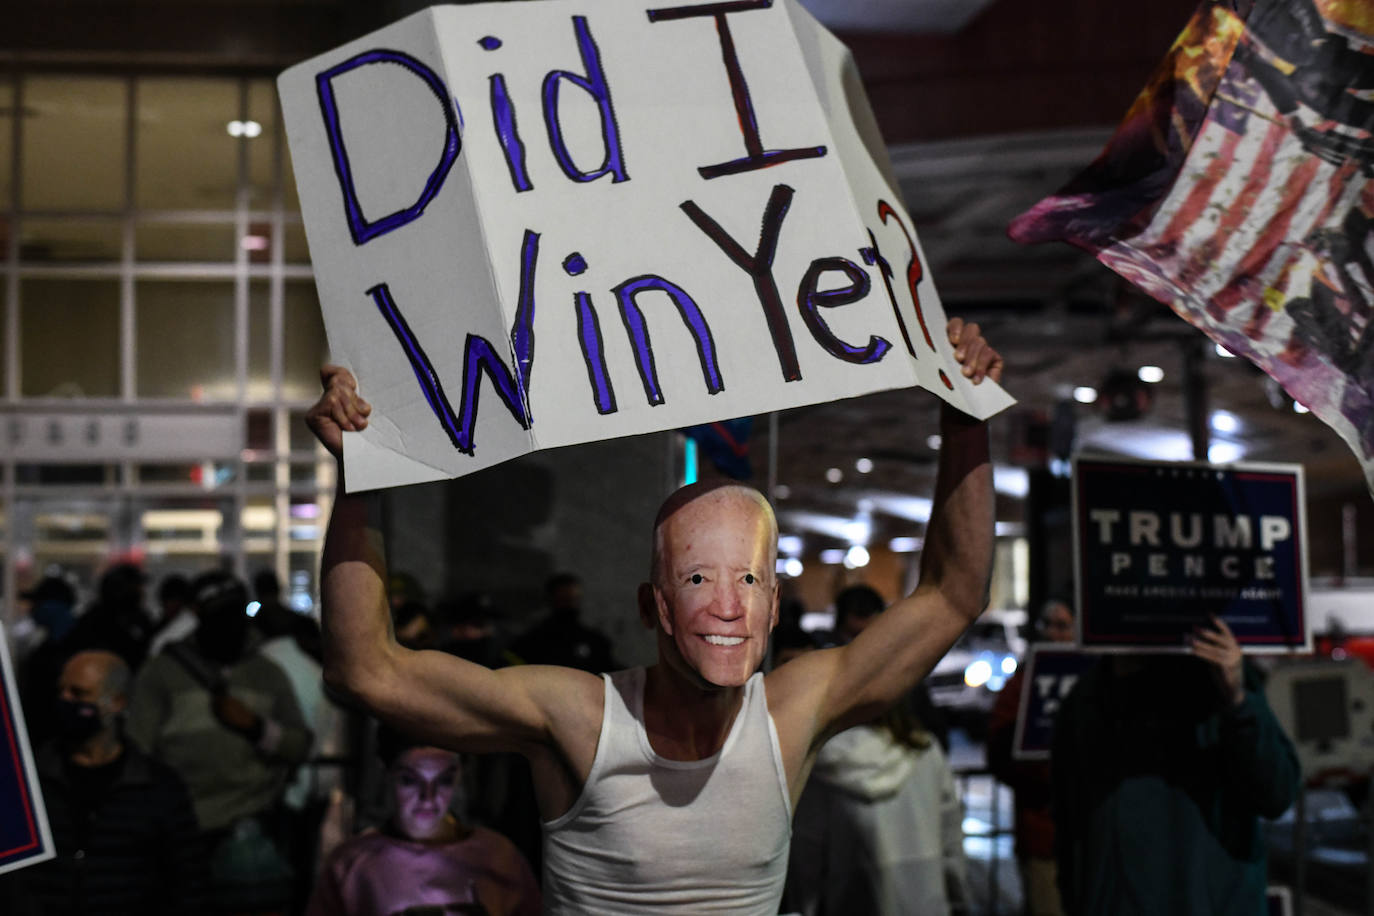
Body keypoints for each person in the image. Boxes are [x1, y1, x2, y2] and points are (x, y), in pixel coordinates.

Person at [306, 317, 1002, 912]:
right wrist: (360, 475)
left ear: (774, 605)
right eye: (698, 577)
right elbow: (366, 670)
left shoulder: (793, 712)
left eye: (750, 579)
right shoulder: (580, 720)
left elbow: (954, 592)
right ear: (652, 605)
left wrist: (966, 416)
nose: (728, 606)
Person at [1051, 617, 1300, 916]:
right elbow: (1069, 830)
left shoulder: (1213, 680)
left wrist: (1237, 699)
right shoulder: (1085, 699)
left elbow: (1278, 792)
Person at [0, 650, 206, 915]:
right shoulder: (29, 780)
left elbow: (189, 882)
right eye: (62, 691)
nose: (65, 700)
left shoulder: (157, 788)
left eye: (79, 693)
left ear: (117, 702)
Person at [125, 571, 312, 847]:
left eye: (234, 613)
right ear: (197, 615)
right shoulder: (161, 673)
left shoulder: (268, 674)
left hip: (252, 827)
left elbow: (299, 745)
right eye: (218, 615)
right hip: (181, 829)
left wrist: (256, 728)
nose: (229, 624)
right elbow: (137, 750)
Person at [781, 645, 970, 916]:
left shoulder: (823, 764)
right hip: (926, 902)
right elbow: (951, 840)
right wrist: (959, 900)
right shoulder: (926, 752)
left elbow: (808, 856)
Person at [308, 731, 541, 916]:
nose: (428, 798)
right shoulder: (351, 864)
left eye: (444, 781)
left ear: (461, 775)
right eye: (410, 780)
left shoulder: (499, 857)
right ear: (387, 773)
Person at [987, 598, 1075, 916]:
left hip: (1089, 834)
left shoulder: (1096, 680)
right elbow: (998, 753)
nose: (1053, 633)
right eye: (1046, 625)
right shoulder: (1021, 684)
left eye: (1062, 626)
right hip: (1041, 834)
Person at [509, 572, 619, 673]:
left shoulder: (595, 642)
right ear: (550, 599)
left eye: (575, 599)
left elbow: (609, 673)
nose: (571, 605)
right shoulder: (531, 642)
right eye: (564, 600)